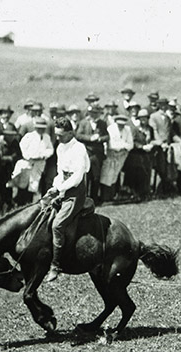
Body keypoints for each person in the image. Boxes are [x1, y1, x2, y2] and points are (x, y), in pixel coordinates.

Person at [44, 118, 91, 283]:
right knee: (41, 208)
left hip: (76, 192)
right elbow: (60, 172)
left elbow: (78, 177)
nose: (58, 138)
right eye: (56, 135)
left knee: (57, 225)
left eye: (61, 135)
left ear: (71, 133)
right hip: (64, 187)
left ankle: (56, 265)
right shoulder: (60, 147)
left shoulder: (79, 148)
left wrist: (60, 189)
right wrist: (55, 186)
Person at [12, 117, 54, 205]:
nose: (41, 130)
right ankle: (20, 203)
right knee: (24, 184)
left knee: (33, 185)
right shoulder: (29, 136)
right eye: (39, 128)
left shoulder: (46, 137)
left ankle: (28, 204)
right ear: (35, 127)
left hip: (39, 164)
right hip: (28, 163)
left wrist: (43, 155)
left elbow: (50, 149)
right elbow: (22, 147)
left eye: (42, 128)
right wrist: (29, 156)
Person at [75, 103, 109, 204]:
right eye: (92, 113)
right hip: (87, 153)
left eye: (95, 113)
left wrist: (100, 139)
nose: (93, 115)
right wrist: (90, 138)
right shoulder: (83, 123)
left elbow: (107, 136)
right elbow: (78, 135)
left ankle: (94, 199)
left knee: (96, 177)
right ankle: (84, 200)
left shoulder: (102, 123)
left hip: (97, 154)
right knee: (86, 177)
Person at [101, 114, 134, 202]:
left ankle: (112, 195)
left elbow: (131, 144)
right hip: (111, 155)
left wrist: (122, 146)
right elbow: (112, 145)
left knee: (115, 175)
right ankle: (104, 197)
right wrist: (123, 145)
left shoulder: (127, 129)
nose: (121, 126)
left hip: (121, 156)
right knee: (107, 175)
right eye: (119, 124)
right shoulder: (111, 129)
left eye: (123, 124)